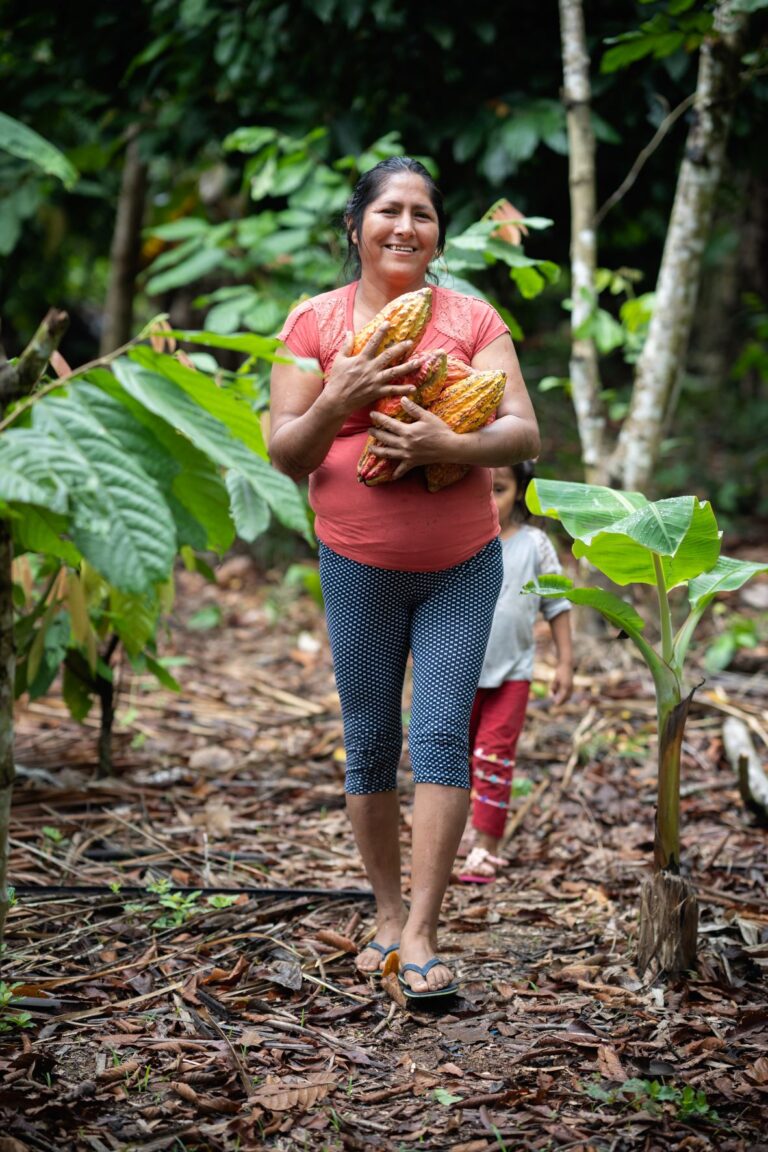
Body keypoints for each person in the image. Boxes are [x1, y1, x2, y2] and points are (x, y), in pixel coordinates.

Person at [268, 156, 540, 998]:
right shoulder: (315, 322)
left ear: (438, 236)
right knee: (372, 743)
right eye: (388, 210)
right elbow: (286, 452)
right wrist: (335, 395)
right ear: (356, 228)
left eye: (422, 214)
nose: (405, 226)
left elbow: (524, 432)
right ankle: (386, 912)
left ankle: (423, 932)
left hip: (462, 564)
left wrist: (448, 447)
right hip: (356, 562)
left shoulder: (471, 319)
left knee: (440, 738)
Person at [459, 461, 574, 884]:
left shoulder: (535, 544)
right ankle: (458, 830)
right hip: (457, 673)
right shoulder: (456, 541)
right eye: (480, 488)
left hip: (512, 675)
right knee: (454, 758)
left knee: (493, 758)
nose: (489, 499)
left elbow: (558, 605)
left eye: (501, 489)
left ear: (520, 492)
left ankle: (485, 847)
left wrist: (564, 662)